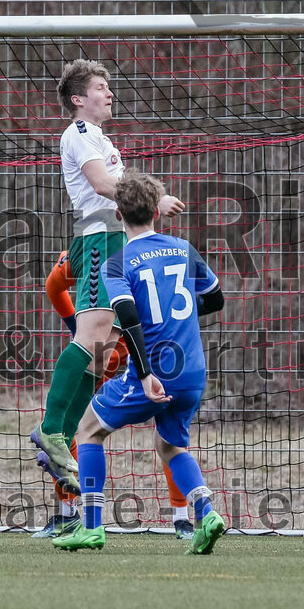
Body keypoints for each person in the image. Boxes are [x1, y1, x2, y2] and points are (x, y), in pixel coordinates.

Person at [53, 169, 226, 555]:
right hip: (193, 370)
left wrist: (146, 374)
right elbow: (215, 300)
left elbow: (129, 318)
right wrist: (176, 314)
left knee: (88, 429)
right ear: (157, 212)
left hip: (155, 371)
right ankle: (207, 513)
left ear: (118, 214)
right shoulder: (183, 249)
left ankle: (92, 527)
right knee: (170, 446)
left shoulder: (116, 263)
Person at [31, 59, 184, 488]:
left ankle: (61, 433)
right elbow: (100, 184)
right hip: (98, 240)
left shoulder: (99, 136)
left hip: (113, 241)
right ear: (79, 99)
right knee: (90, 338)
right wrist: (156, 199)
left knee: (101, 356)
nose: (110, 93)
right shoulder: (79, 135)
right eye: (101, 87)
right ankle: (51, 428)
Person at [33, 251, 197, 540]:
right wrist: (79, 330)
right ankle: (69, 514)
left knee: (162, 430)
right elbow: (53, 286)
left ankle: (181, 517)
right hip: (109, 361)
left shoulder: (139, 256)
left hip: (141, 357)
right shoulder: (90, 252)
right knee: (76, 427)